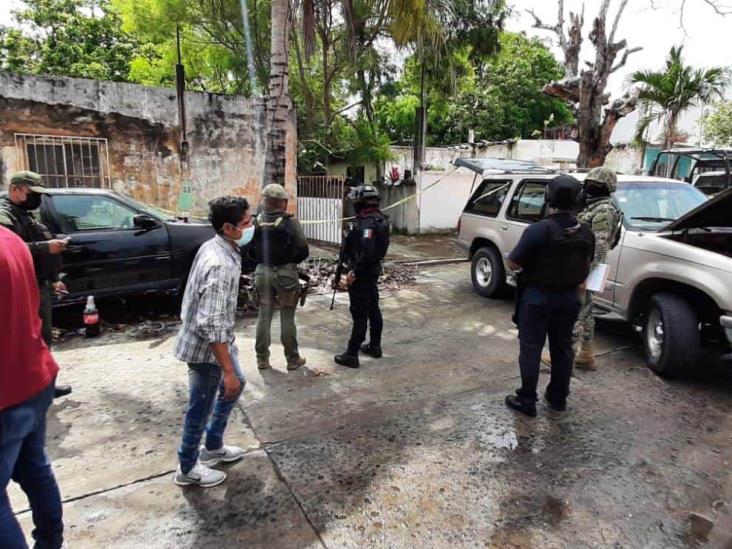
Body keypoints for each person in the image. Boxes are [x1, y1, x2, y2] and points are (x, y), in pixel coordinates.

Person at [173, 196, 253, 488]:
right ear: (228, 227)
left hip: (217, 342)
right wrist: (227, 370)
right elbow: (211, 323)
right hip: (206, 349)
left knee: (238, 383)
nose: (251, 226)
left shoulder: (218, 246)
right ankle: (188, 467)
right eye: (246, 222)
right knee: (201, 407)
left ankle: (214, 446)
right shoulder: (219, 263)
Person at [505, 175, 595, 417]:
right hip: (569, 299)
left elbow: (513, 263)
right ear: (578, 200)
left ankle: (527, 399)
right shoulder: (586, 232)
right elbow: (588, 266)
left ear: (548, 198)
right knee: (563, 348)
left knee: (531, 348)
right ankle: (558, 398)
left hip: (537, 297)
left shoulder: (538, 230)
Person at [0, 226, 64, 549]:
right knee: (34, 467)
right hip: (34, 376)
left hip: (7, 394)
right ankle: (51, 542)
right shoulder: (11, 240)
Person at [0, 171, 72, 399]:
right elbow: (10, 250)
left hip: (37, 283)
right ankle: (27, 392)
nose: (36, 199)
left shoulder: (25, 213)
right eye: (32, 193)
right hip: (18, 288)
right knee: (23, 339)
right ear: (15, 189)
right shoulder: (4, 216)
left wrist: (53, 279)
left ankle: (45, 386)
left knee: (42, 336)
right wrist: (45, 247)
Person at [251, 184, 309, 371]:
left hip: (262, 273)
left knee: (264, 315)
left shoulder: (255, 222)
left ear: (265, 201)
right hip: (285, 274)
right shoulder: (290, 223)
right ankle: (292, 359)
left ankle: (262, 360)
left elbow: (249, 249)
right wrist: (290, 260)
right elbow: (304, 250)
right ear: (282, 203)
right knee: (287, 316)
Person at [334, 185, 390, 369]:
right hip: (372, 270)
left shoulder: (367, 223)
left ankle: (351, 354)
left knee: (359, 313)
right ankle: (375, 346)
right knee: (373, 308)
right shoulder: (379, 219)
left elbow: (365, 251)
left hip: (362, 272)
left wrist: (353, 272)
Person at [571, 167, 622, 369]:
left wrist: (583, 276)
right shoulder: (595, 207)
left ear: (606, 188)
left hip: (588, 268)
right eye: (590, 183)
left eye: (596, 185)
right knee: (587, 310)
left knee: (577, 310)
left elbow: (599, 248)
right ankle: (586, 354)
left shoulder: (603, 211)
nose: (590, 187)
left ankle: (565, 353)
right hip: (586, 267)